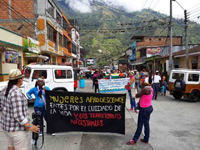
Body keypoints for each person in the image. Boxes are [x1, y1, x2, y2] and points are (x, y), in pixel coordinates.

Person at [0, 69, 40, 150]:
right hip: (17, 131)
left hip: (7, 128)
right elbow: (18, 115)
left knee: (11, 147)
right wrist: (30, 126)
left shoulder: (4, 90)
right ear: (20, 80)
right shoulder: (16, 93)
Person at [127, 73, 153, 145]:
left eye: (142, 80)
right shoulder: (151, 88)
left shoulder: (145, 90)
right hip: (149, 108)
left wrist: (138, 89)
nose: (141, 81)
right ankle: (146, 139)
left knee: (140, 125)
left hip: (144, 109)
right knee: (146, 124)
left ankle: (134, 140)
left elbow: (136, 95)